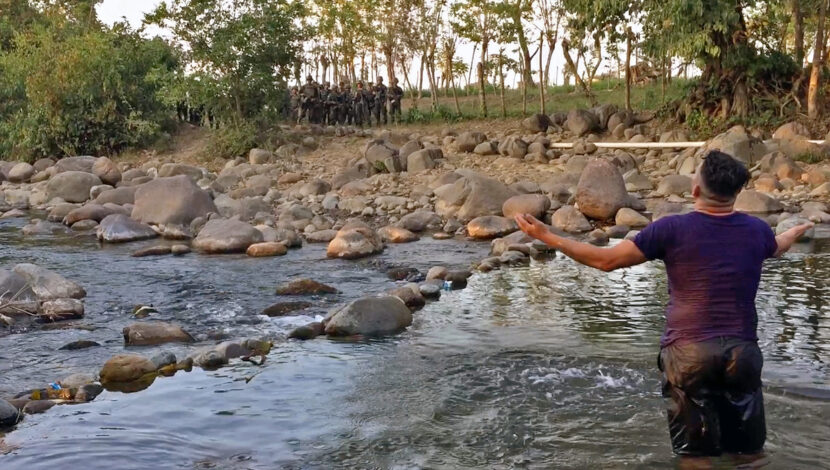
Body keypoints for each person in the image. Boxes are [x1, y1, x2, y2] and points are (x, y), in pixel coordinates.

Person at [514, 151, 813, 467]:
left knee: (696, 457)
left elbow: (606, 260)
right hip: (742, 353)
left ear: (696, 190)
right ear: (737, 192)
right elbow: (776, 247)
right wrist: (792, 233)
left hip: (688, 355)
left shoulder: (671, 229)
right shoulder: (757, 230)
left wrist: (547, 235)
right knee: (749, 455)